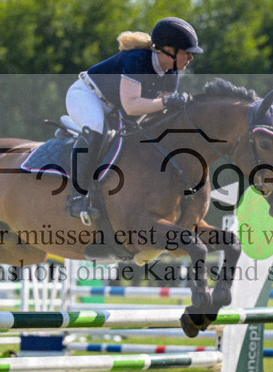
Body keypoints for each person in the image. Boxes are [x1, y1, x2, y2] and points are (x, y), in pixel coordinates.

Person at [64, 16, 203, 224]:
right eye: (186, 52)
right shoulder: (138, 59)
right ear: (167, 50)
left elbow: (154, 113)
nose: (190, 58)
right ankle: (76, 197)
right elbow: (131, 106)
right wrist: (167, 103)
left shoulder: (171, 73)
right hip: (87, 95)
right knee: (96, 130)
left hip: (115, 108)